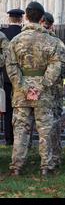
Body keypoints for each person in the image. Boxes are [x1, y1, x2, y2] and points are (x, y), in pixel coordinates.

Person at [6, 2, 62, 176]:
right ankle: (46, 165)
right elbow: (56, 65)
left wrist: (22, 86)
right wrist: (43, 85)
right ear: (42, 18)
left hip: (21, 91)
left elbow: (11, 66)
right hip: (43, 92)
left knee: (21, 129)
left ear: (27, 17)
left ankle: (17, 166)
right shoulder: (50, 40)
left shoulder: (15, 41)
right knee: (45, 129)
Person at [40, 12, 65, 167]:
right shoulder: (56, 42)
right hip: (53, 88)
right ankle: (55, 156)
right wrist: (55, 72)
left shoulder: (23, 38)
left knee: (27, 124)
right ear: (51, 25)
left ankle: (20, 160)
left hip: (28, 86)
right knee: (53, 122)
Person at [0, 9, 24, 145]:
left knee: (9, 108)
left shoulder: (4, 33)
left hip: (7, 76)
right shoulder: (24, 34)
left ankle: (9, 138)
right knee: (23, 109)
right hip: (23, 77)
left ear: (9, 19)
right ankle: (21, 138)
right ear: (21, 19)